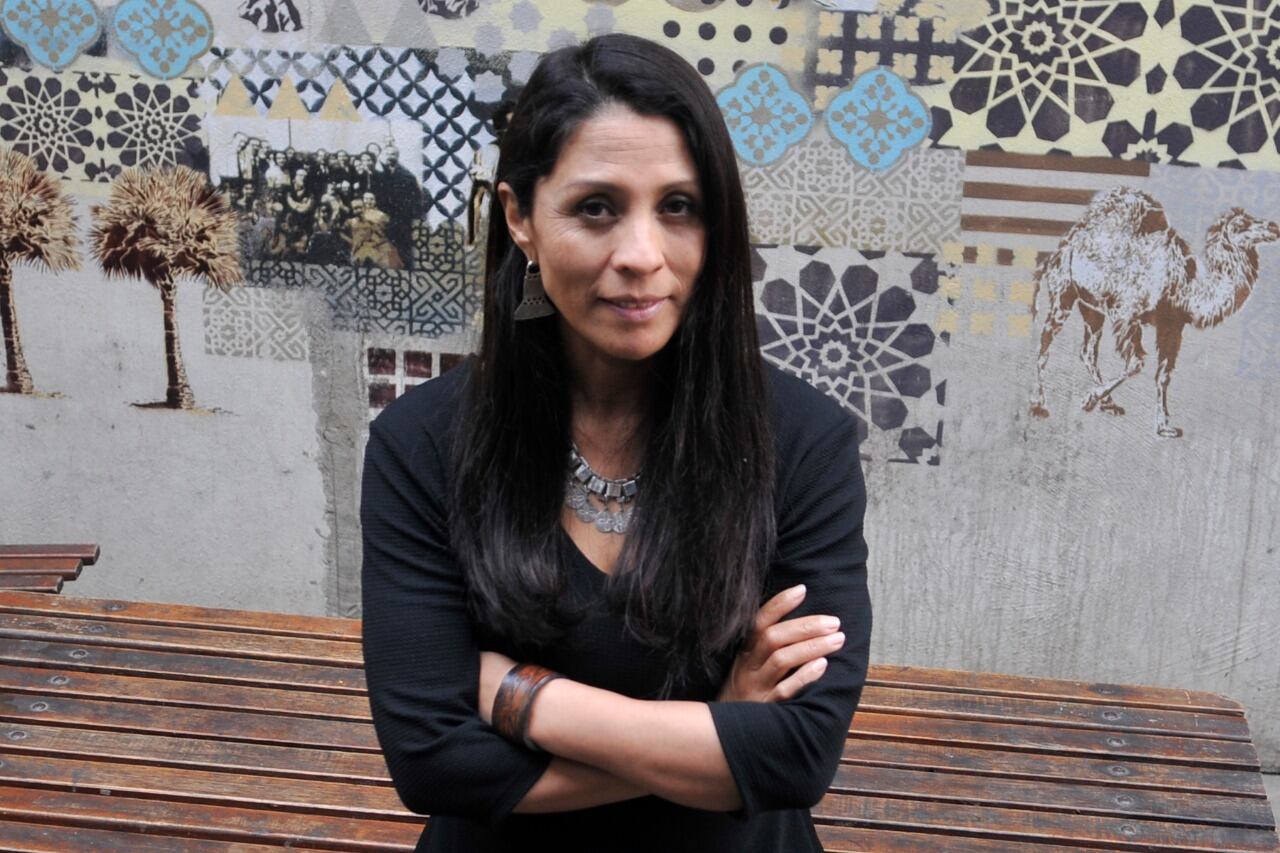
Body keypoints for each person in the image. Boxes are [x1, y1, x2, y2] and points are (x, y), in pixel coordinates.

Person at [361, 33, 871, 852]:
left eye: (679, 206)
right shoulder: (421, 443)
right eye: (596, 207)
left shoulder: (804, 442)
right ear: (520, 218)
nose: (640, 255)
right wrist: (720, 726)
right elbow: (431, 761)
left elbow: (800, 753)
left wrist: (528, 699)